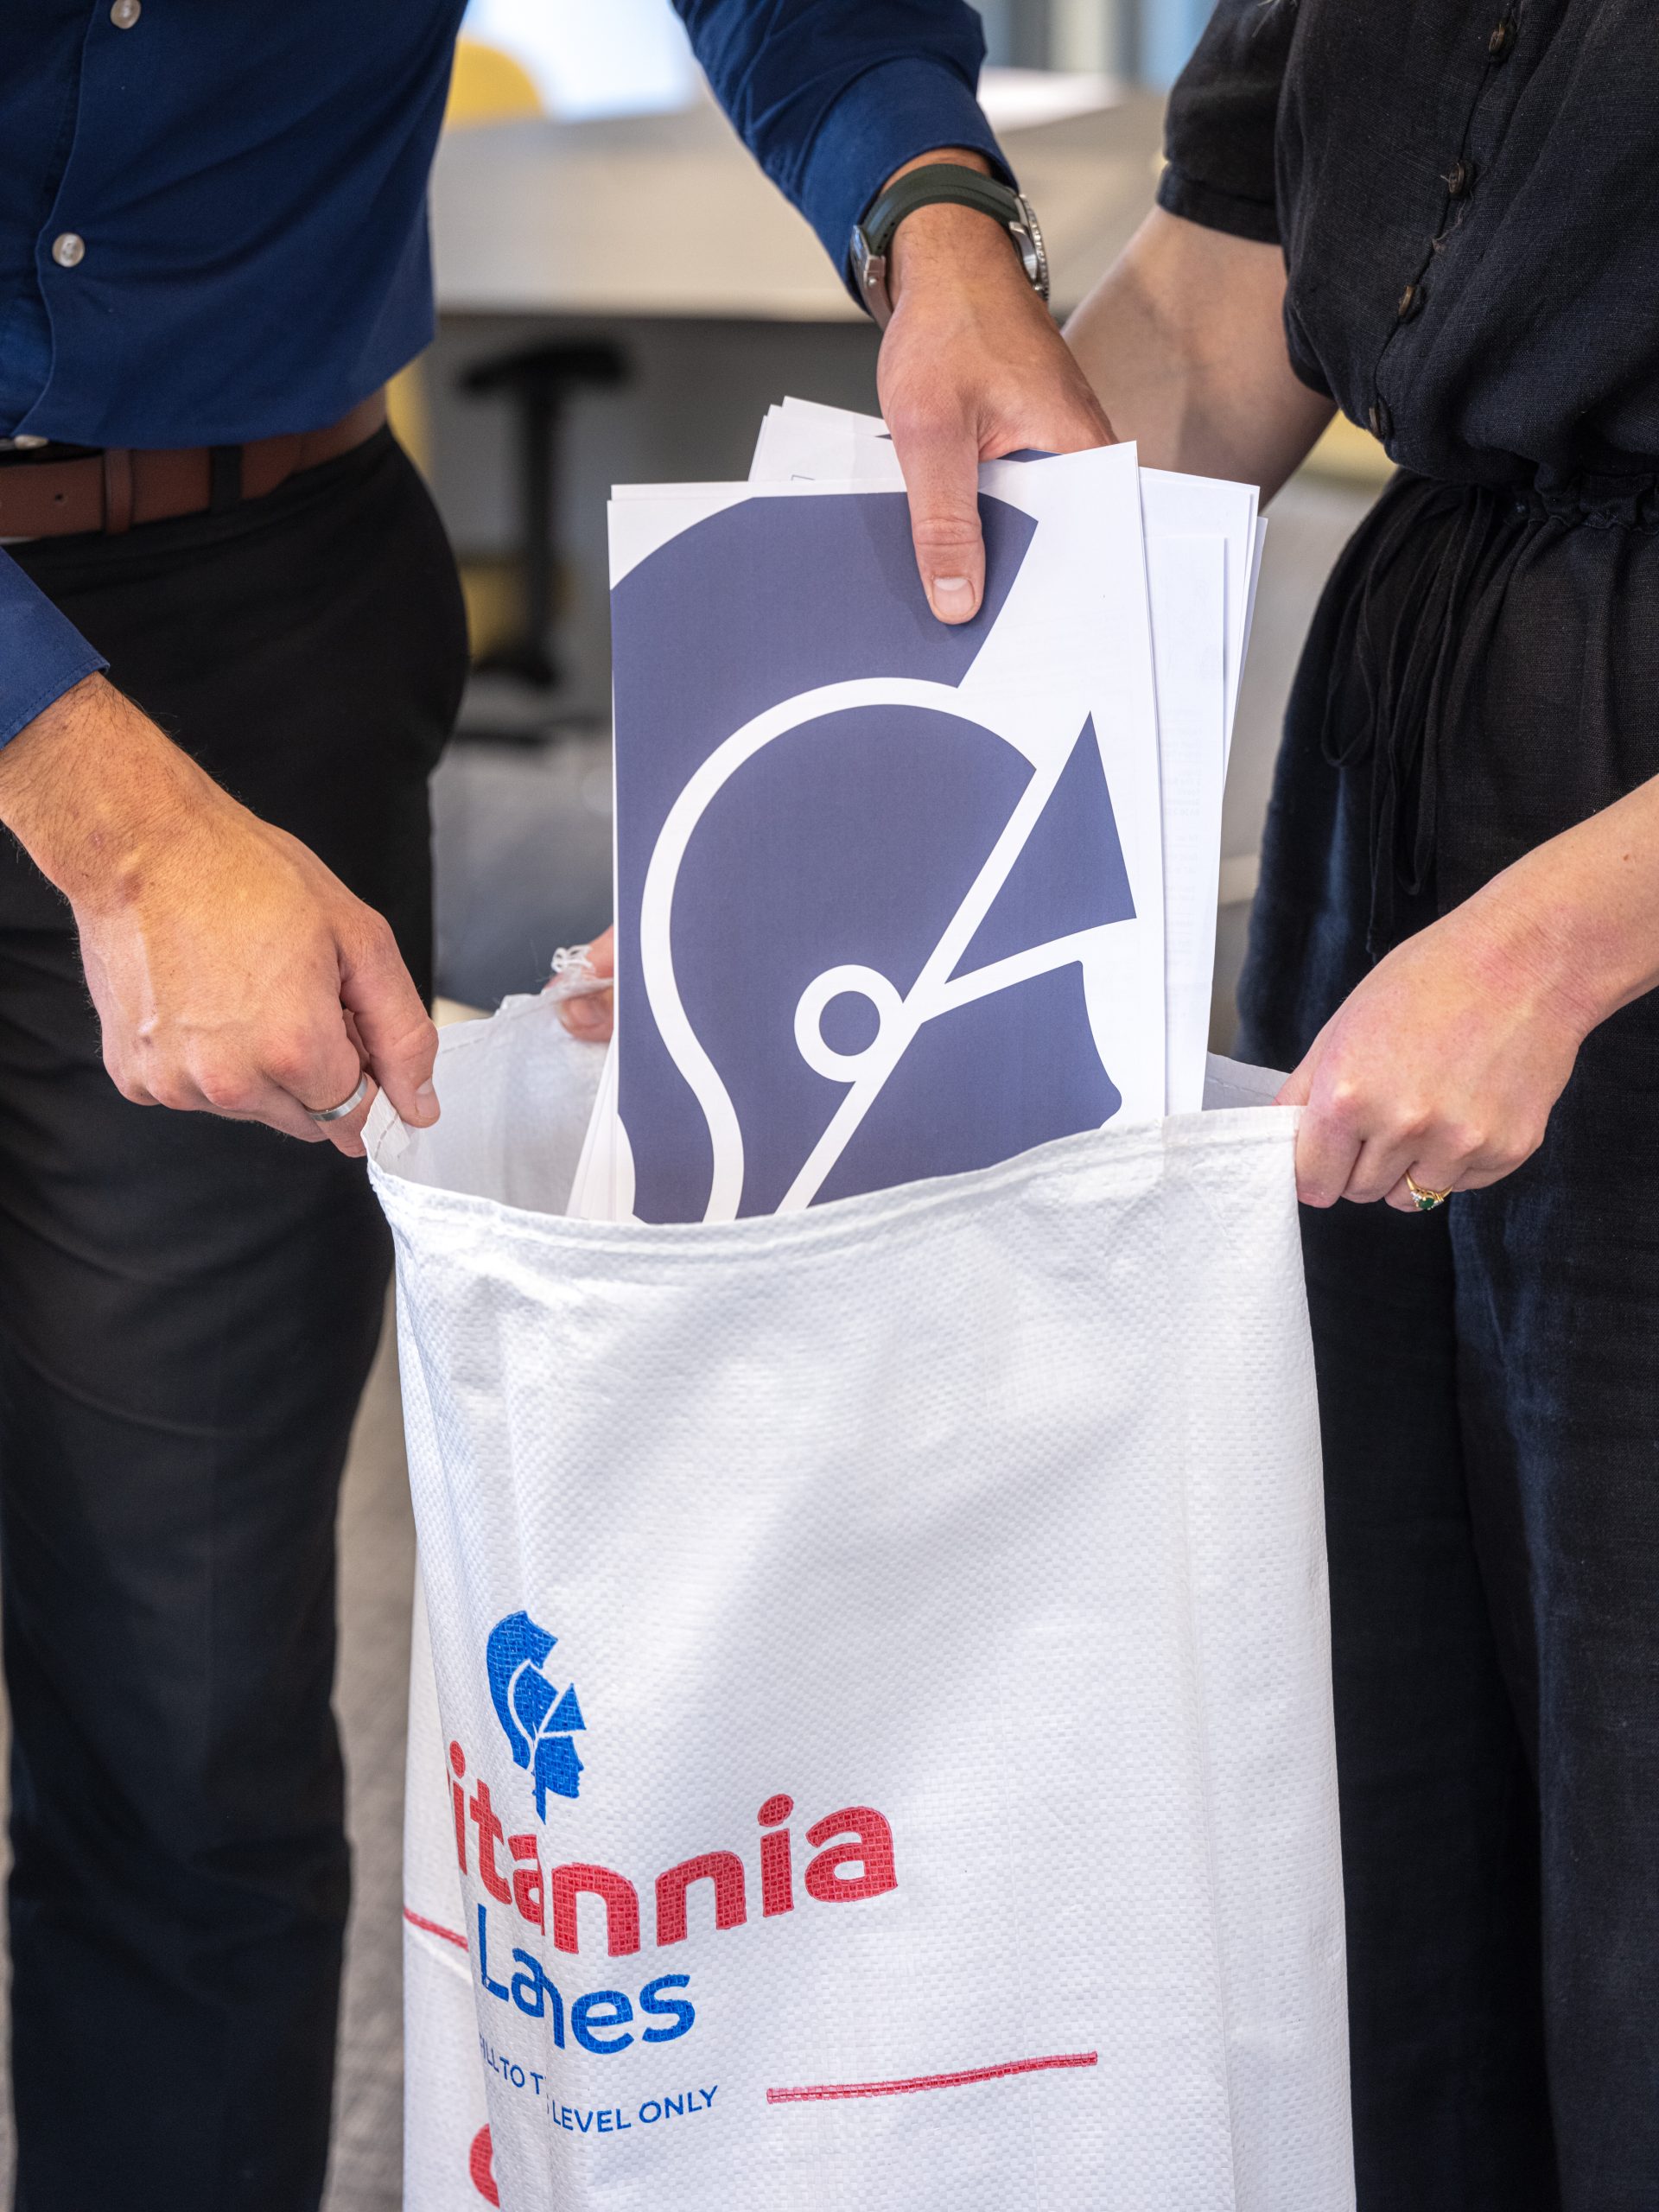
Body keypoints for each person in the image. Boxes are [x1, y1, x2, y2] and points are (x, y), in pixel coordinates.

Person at [0, 6, 1103, 2204]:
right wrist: (98, 805)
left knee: (187, 1708)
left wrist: (932, 199)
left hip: (255, 602)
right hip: (108, 712)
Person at [1055, 6, 1659, 2208]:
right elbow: (1212, 337)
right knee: (1389, 1727)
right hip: (1410, 794)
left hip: (1608, 889)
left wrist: (1565, 936)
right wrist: (844, 771)